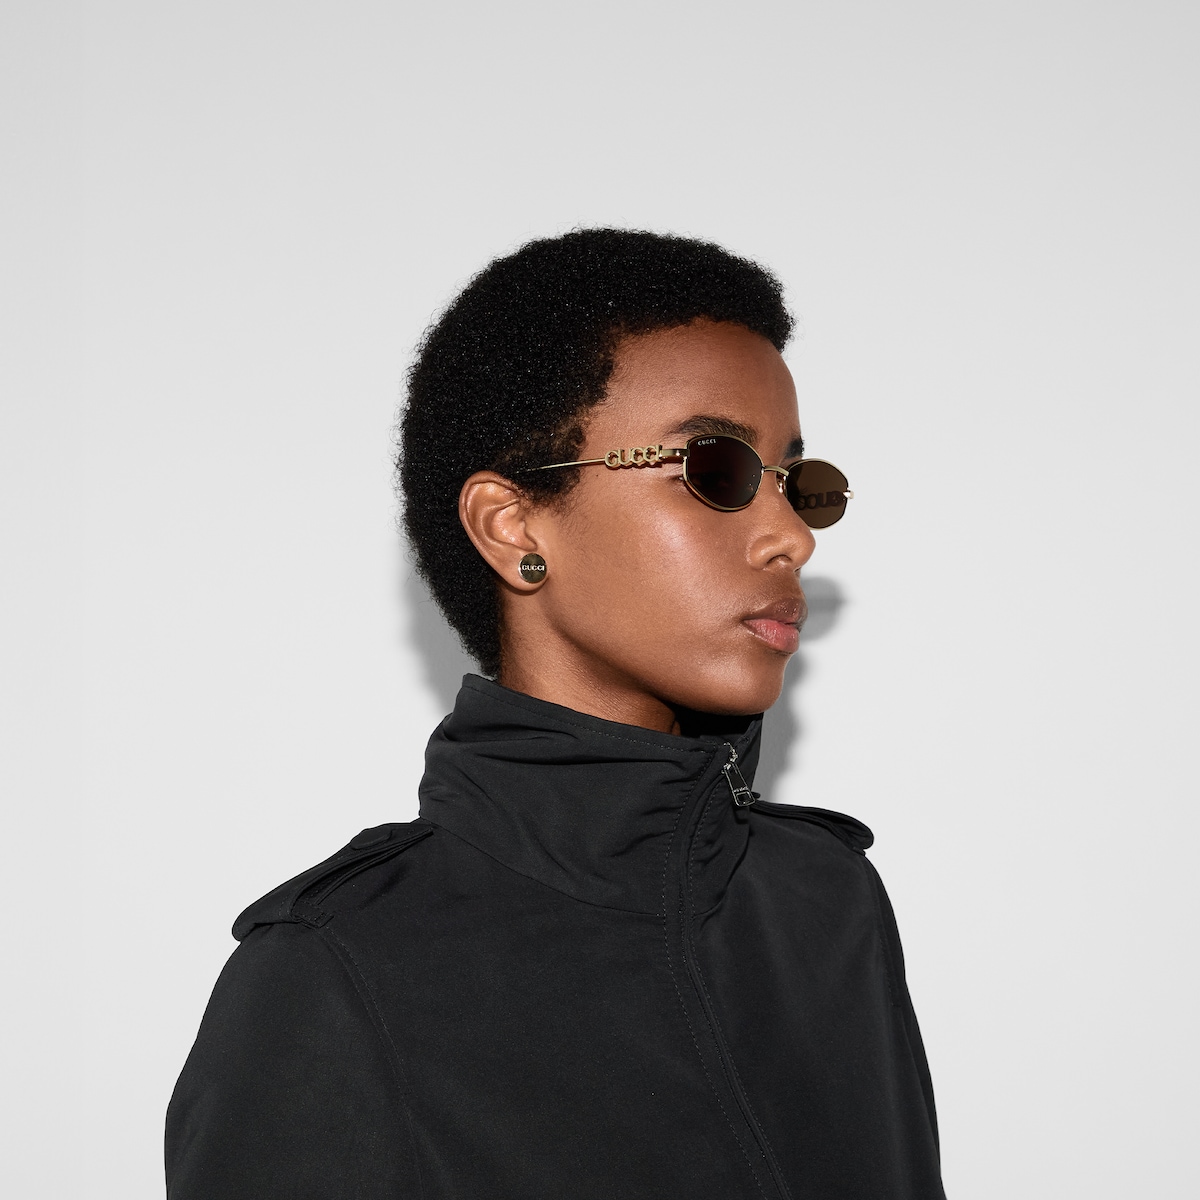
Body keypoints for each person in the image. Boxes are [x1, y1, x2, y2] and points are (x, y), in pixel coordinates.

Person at [165, 229, 946, 1199]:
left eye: (799, 483)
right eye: (716, 469)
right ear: (514, 525)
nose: (790, 535)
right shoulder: (337, 975)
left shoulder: (825, 904)